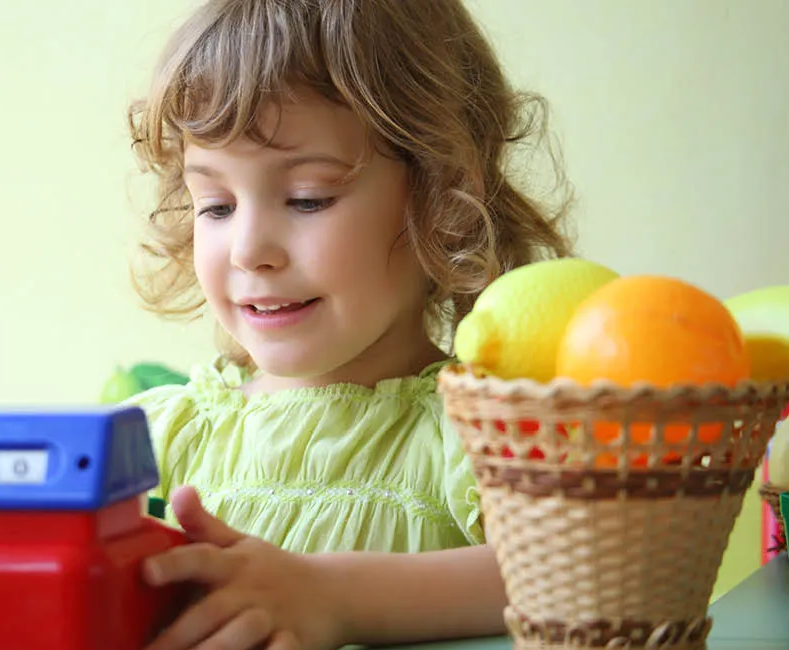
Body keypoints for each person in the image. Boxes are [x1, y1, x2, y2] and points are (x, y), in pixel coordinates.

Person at [125, 1, 573, 649]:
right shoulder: (155, 445)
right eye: (216, 206)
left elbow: (569, 575)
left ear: (443, 200)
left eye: (308, 197)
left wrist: (333, 597)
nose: (250, 249)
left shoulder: (483, 433)